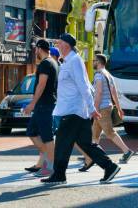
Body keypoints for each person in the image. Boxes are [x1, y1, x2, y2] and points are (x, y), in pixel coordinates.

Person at [42, 33, 121, 185]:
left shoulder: (74, 61)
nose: (57, 45)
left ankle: (59, 175)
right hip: (75, 110)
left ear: (66, 45)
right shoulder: (68, 61)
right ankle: (110, 167)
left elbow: (84, 86)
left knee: (62, 144)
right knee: (86, 144)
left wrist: (91, 108)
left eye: (59, 43)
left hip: (73, 111)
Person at [80, 54, 134, 171]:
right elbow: (114, 93)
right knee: (95, 134)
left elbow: (98, 93)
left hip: (101, 108)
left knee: (109, 132)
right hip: (105, 107)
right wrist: (119, 108)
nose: (92, 62)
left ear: (99, 62)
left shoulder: (99, 76)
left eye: (94, 60)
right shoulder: (108, 75)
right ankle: (92, 155)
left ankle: (127, 151)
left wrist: (94, 109)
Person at [23, 39, 59, 178]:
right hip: (45, 104)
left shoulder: (45, 64)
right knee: (32, 132)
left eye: (35, 49)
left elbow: (41, 84)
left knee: (47, 137)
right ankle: (47, 159)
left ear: (39, 48)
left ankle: (51, 165)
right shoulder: (53, 62)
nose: (35, 52)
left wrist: (32, 103)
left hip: (45, 104)